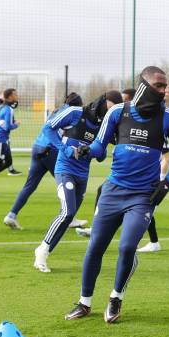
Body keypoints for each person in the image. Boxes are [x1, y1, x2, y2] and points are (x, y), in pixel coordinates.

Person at [64, 66, 169, 323]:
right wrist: (86, 151)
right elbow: (100, 147)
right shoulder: (118, 112)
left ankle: (115, 297)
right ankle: (84, 302)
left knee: (128, 246)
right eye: (159, 85)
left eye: (165, 86)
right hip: (113, 191)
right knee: (95, 247)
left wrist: (168, 182)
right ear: (143, 85)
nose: (164, 90)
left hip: (142, 196)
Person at [33, 91, 123, 272]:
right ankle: (41, 251)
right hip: (64, 170)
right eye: (110, 107)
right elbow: (48, 128)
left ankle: (46, 251)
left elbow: (100, 156)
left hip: (83, 176)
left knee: (66, 218)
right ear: (102, 102)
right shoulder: (75, 113)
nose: (110, 112)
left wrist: (91, 150)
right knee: (68, 212)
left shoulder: (105, 124)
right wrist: (65, 149)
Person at [3, 92, 84, 230]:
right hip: (50, 150)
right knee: (69, 184)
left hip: (37, 147)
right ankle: (68, 217)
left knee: (30, 185)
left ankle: (11, 215)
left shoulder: (57, 111)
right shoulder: (73, 114)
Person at [138, 84, 169, 253]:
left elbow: (167, 157)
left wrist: (162, 179)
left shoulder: (159, 126)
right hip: (142, 175)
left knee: (144, 209)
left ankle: (154, 242)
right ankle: (153, 242)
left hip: (152, 178)